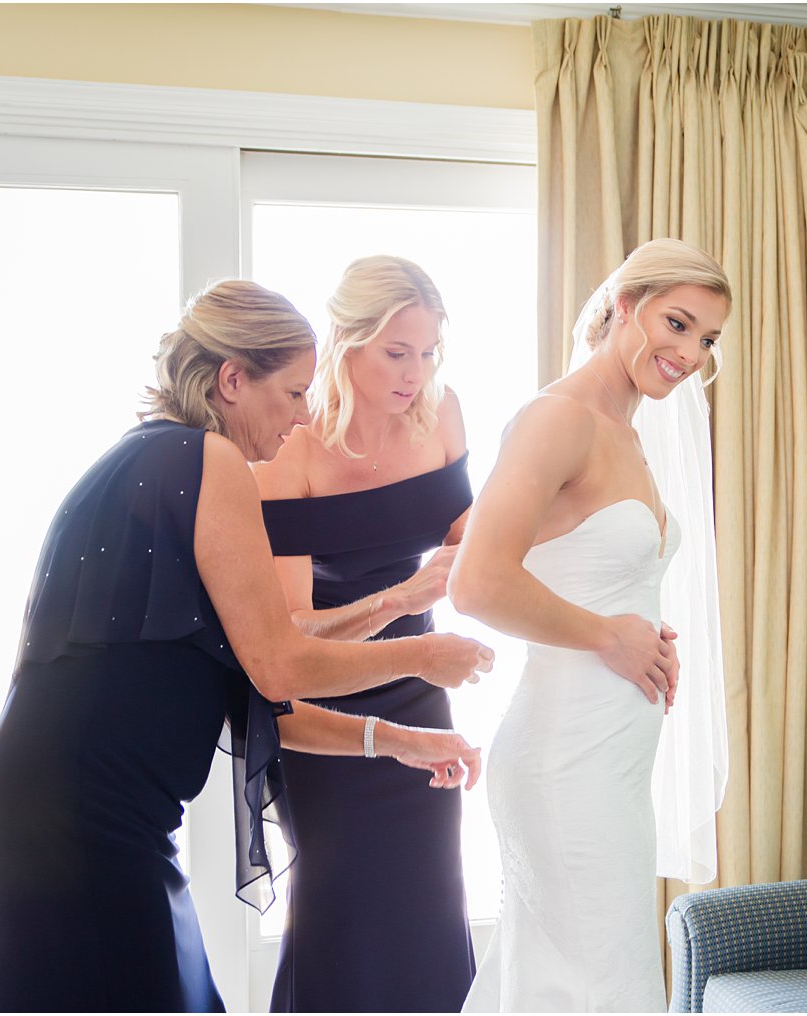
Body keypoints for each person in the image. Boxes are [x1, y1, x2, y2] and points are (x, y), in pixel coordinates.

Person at [0, 280, 493, 1013]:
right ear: (233, 380)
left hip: (60, 804)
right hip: (83, 814)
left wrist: (399, 736)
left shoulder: (153, 459)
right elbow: (282, 665)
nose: (302, 415)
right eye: (291, 394)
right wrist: (418, 652)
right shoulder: (204, 459)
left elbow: (261, 677)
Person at [451, 239, 731, 1012]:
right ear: (623, 305)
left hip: (611, 766)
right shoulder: (557, 418)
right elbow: (477, 582)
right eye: (677, 324)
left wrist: (637, 630)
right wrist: (612, 635)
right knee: (604, 986)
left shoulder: (628, 432)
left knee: (575, 983)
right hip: (563, 762)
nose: (689, 353)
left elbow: (582, 569)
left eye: (707, 340)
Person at [252, 255, 477, 1013]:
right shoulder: (291, 445)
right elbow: (287, 634)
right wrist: (406, 594)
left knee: (430, 894)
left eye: (427, 352)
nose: (415, 372)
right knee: (336, 902)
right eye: (396, 352)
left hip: (422, 687)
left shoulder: (441, 413)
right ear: (345, 341)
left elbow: (468, 542)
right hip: (324, 705)